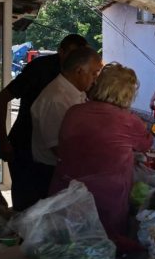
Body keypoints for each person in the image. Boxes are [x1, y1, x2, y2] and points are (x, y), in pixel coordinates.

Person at [49, 64, 152, 248]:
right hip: (105, 202)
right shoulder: (128, 121)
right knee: (102, 253)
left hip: (66, 194)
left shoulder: (74, 111)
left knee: (67, 252)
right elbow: (146, 145)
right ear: (127, 94)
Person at [0, 33, 88, 210]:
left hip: (55, 156)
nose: (77, 62)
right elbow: (0, 100)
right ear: (61, 52)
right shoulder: (40, 69)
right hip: (25, 147)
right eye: (72, 55)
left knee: (50, 210)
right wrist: (3, 141)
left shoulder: (82, 74)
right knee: (26, 209)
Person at [29, 47, 102, 199]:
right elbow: (59, 148)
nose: (96, 79)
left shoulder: (76, 92)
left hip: (66, 170)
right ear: (79, 71)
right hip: (51, 172)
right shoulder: (56, 98)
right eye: (94, 73)